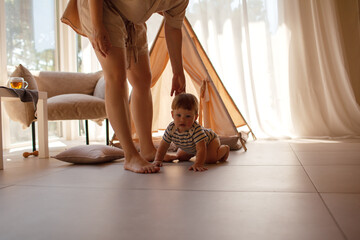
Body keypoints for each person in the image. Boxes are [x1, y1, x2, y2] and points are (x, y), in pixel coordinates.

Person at [65, 0, 189, 173]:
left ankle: (147, 149)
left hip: (130, 17)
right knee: (117, 76)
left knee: (143, 79)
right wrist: (97, 25)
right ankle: (130, 156)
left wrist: (178, 71)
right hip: (101, 8)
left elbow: (174, 27)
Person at [153, 93, 230, 171]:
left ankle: (225, 149)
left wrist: (198, 164)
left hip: (210, 141)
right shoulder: (171, 128)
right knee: (180, 156)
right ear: (172, 114)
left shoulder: (196, 130)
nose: (182, 120)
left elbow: (201, 149)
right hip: (191, 147)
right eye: (178, 115)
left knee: (210, 159)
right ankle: (181, 155)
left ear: (195, 117)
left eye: (188, 116)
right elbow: (163, 145)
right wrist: (158, 160)